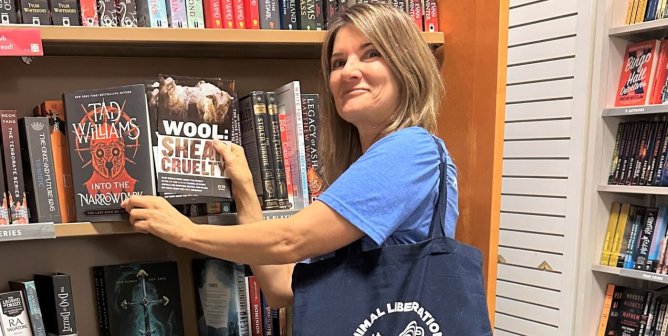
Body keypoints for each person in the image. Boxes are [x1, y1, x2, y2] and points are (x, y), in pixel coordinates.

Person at [120, 3, 458, 310]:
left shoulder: (411, 149)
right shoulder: (370, 167)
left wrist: (182, 231)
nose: (349, 71)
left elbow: (290, 239)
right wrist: (245, 190)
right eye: (338, 62)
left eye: (371, 54)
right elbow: (281, 287)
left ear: (407, 67)